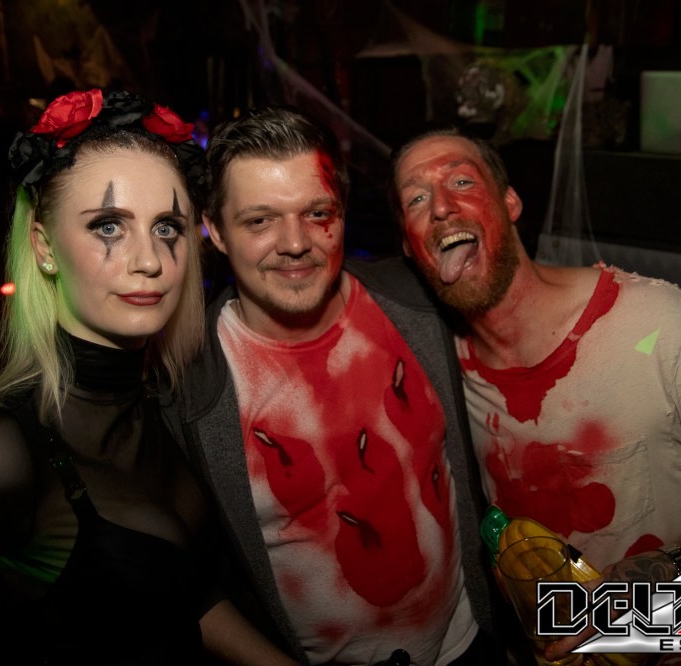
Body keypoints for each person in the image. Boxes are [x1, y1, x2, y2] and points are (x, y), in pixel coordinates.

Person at [0, 88, 295, 666]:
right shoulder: (4, 451)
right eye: (108, 226)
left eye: (166, 227)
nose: (150, 260)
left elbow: (180, 592)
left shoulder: (155, 402)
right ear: (44, 247)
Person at [389, 128, 681, 662]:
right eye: (417, 198)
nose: (441, 207)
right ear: (409, 248)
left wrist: (671, 569)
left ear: (510, 202)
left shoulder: (662, 327)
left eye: (462, 182)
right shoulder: (441, 365)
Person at [165, 105, 515, 665]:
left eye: (317, 213)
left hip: (471, 644)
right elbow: (181, 581)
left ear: (343, 212)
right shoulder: (184, 388)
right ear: (216, 231)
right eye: (259, 221)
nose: (295, 242)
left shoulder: (418, 303)